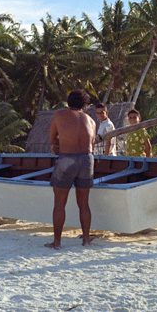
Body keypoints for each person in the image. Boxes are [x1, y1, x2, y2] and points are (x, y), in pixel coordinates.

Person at [45, 89, 96, 250]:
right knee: (84, 203)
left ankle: (57, 242)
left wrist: (59, 147)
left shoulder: (60, 115)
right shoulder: (91, 120)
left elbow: (53, 139)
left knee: (59, 203)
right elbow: (91, 142)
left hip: (67, 158)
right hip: (87, 160)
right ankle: (86, 240)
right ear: (85, 105)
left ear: (68, 103)